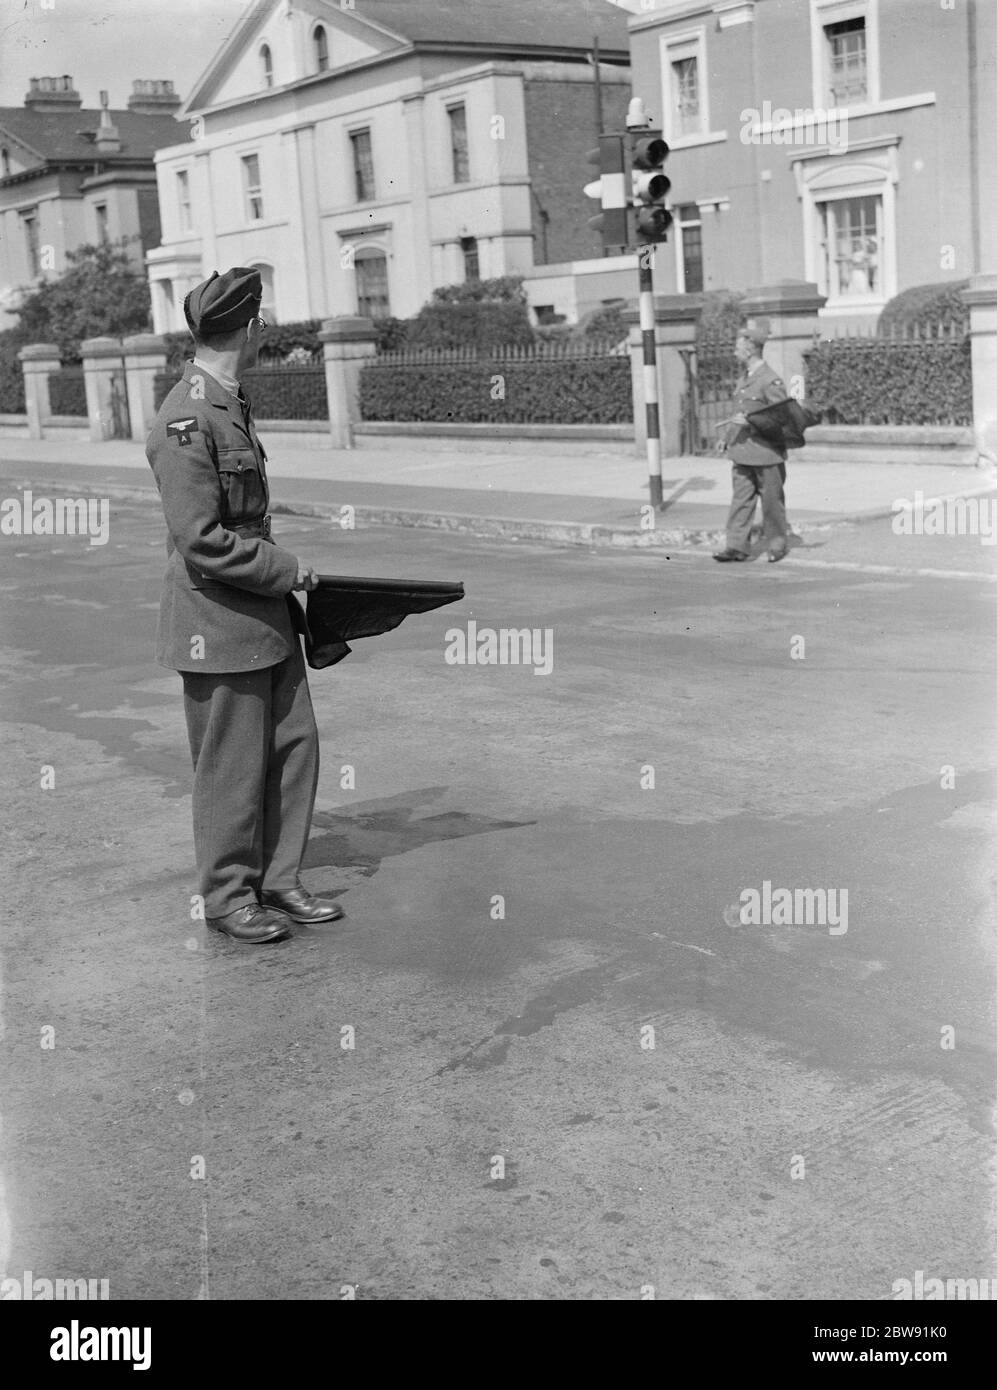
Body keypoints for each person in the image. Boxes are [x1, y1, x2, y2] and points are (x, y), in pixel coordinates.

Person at [146, 266, 344, 944]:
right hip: (217, 620)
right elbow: (200, 540)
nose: (264, 330)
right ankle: (229, 896)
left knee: (293, 747)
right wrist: (286, 570)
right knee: (231, 764)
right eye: (261, 322)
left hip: (263, 616)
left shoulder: (226, 400)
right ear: (249, 327)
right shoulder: (185, 414)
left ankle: (279, 878)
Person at [713, 318, 791, 564]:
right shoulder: (744, 379)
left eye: (738, 346)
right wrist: (726, 438)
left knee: (771, 504)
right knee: (741, 500)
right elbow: (740, 413)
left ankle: (777, 544)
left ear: (750, 348)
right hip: (742, 452)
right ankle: (736, 546)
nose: (735, 351)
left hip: (766, 454)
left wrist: (752, 424)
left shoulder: (770, 380)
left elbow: (781, 418)